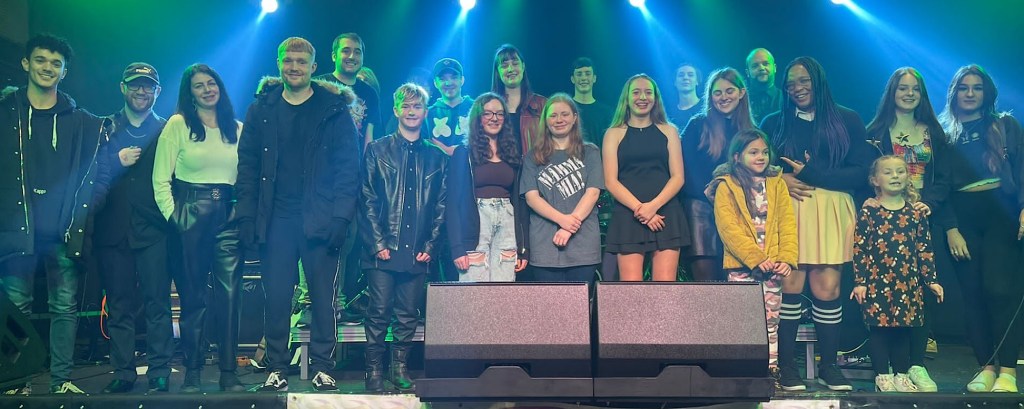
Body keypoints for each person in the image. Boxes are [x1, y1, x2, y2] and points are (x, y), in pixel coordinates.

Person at [234, 37, 360, 392]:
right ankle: (276, 366)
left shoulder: (333, 109)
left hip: (320, 216)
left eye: (301, 62)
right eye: (288, 60)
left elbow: (348, 168)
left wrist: (341, 218)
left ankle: (323, 366)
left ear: (313, 67)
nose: (294, 67)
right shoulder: (261, 109)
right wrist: (246, 216)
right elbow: (247, 166)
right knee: (275, 296)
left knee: (323, 297)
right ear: (279, 64)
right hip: (276, 219)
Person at [760, 56, 878, 392]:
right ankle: (786, 368)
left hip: (832, 208)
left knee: (828, 289)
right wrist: (780, 177)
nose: (797, 88)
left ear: (818, 81)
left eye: (804, 81)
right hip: (788, 210)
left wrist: (813, 174)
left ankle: (830, 366)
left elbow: (860, 173)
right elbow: (756, 163)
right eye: (791, 83)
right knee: (789, 287)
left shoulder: (847, 119)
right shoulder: (774, 122)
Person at [0, 33, 106, 395]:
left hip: (63, 230)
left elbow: (103, 158)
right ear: (26, 63)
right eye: (41, 60)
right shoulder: (6, 111)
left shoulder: (81, 120)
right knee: (16, 308)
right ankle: (16, 382)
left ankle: (63, 381)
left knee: (65, 308)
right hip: (18, 228)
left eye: (56, 63)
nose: (48, 68)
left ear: (65, 71)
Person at [152, 63, 244, 392]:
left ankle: (229, 372)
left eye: (211, 83)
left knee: (230, 296)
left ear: (220, 86)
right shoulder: (178, 125)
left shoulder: (237, 127)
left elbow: (246, 177)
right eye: (198, 85)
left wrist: (242, 214)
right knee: (193, 297)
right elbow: (160, 178)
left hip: (229, 214)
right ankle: (192, 370)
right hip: (190, 211)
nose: (207, 89)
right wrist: (174, 218)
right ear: (189, 93)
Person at [938, 64, 1024, 393]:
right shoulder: (945, 133)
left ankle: (1008, 371)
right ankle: (985, 367)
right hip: (962, 218)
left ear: (986, 92)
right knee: (972, 296)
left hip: (1001, 213)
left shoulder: (1006, 125)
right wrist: (950, 227)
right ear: (955, 94)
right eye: (964, 88)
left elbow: (1022, 167)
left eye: (977, 87)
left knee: (1000, 291)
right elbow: (939, 186)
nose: (970, 93)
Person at [864, 66, 950, 392]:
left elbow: (944, 178)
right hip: (888, 225)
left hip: (923, 219)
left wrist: (930, 202)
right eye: (903, 88)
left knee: (922, 291)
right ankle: (890, 369)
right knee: (890, 297)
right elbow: (868, 175)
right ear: (892, 92)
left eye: (915, 88)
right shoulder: (875, 132)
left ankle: (917, 365)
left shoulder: (934, 132)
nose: (909, 93)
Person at [361, 83, 448, 392]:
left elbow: (442, 205)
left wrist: (431, 246)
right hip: (383, 249)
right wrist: (378, 242)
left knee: (407, 314)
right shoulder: (377, 149)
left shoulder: (437, 157)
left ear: (426, 112)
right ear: (397, 110)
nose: (412, 112)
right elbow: (367, 198)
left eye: (418, 107)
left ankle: (399, 369)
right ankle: (373, 372)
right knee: (378, 312)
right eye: (406, 106)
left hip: (417, 250)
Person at [94, 63, 174, 394]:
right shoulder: (104, 127)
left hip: (154, 229)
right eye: (136, 85)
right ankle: (124, 371)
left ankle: (160, 371)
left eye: (149, 86)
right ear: (122, 87)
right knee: (119, 304)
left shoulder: (169, 128)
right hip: (113, 229)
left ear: (158, 91)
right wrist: (116, 161)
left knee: (158, 303)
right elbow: (85, 173)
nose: (142, 91)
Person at [707, 129, 797, 381]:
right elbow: (729, 229)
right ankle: (742, 372)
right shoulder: (726, 185)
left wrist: (786, 258)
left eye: (765, 152)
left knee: (770, 323)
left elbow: (787, 224)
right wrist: (756, 258)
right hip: (741, 267)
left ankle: (770, 371)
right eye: (753, 152)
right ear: (737, 156)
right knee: (743, 322)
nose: (761, 157)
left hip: (773, 268)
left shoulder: (777, 184)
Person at [851, 155, 945, 392]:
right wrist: (860, 282)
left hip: (907, 283)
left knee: (903, 329)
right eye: (888, 172)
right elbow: (860, 248)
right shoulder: (869, 212)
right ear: (875, 179)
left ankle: (902, 373)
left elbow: (924, 248)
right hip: (877, 282)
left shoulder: (916, 213)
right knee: (880, 329)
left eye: (900, 171)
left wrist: (931, 280)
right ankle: (882, 375)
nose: (895, 176)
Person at [603, 74, 688, 282]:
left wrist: (653, 207)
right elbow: (611, 182)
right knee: (632, 293)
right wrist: (642, 210)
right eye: (637, 92)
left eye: (648, 92)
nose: (643, 97)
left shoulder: (669, 131)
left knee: (664, 290)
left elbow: (678, 177)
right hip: (628, 215)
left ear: (655, 98)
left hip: (666, 213)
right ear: (627, 98)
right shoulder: (613, 133)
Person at [680, 67, 756, 281]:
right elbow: (685, 169)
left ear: (741, 93)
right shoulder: (697, 125)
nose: (724, 97)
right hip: (701, 210)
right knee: (706, 285)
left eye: (729, 91)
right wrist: (713, 194)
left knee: (736, 283)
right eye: (717, 93)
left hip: (739, 211)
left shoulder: (751, 131)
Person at [521, 94, 604, 282]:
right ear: (545, 120)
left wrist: (568, 228)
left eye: (565, 114)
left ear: (574, 118)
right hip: (545, 246)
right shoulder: (533, 156)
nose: (559, 120)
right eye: (553, 115)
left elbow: (593, 193)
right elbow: (532, 198)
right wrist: (562, 220)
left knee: (580, 308)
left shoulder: (590, 152)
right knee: (550, 309)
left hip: (583, 245)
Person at [447, 92, 528, 282]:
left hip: (507, 224)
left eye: (499, 114)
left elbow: (520, 202)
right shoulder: (463, 153)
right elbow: (452, 204)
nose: (494, 118)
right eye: (488, 113)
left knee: (503, 294)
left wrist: (524, 249)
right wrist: (457, 248)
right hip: (475, 224)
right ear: (478, 117)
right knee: (475, 295)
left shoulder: (512, 153)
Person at [315, 32, 381, 145]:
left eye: (357, 52)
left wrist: (366, 162)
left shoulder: (370, 93)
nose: (352, 56)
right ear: (334, 56)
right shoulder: (317, 85)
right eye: (346, 51)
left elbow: (368, 138)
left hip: (355, 161)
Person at [490, 44, 547, 155]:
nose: (511, 69)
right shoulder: (488, 107)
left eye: (515, 63)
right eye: (504, 65)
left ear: (523, 66)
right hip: (501, 171)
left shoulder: (542, 105)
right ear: (498, 71)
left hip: (534, 170)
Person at [426, 59, 471, 156]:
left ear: (462, 80)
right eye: (442, 79)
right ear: (435, 83)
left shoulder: (477, 108)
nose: (448, 83)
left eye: (454, 77)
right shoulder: (427, 114)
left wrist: (451, 151)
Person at [570, 57, 614, 148]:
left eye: (587, 73)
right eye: (579, 74)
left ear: (594, 78)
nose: (583, 78)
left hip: (599, 161)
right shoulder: (566, 110)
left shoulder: (607, 112)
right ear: (572, 79)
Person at [745, 48, 783, 125]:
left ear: (774, 68)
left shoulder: (787, 98)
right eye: (755, 66)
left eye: (766, 64)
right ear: (747, 72)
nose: (761, 68)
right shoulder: (741, 100)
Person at [670, 62, 702, 129]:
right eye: (681, 75)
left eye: (690, 75)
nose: (685, 78)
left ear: (697, 81)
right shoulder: (668, 113)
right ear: (675, 82)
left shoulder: (706, 107)